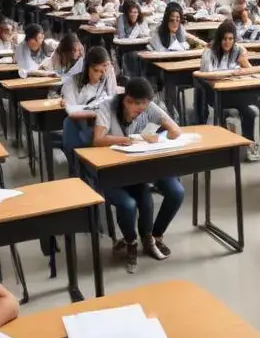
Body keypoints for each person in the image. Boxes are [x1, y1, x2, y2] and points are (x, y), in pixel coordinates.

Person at [66, 76, 185, 274]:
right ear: (126, 100)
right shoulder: (108, 107)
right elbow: (98, 139)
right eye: (137, 104)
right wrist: (134, 139)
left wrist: (165, 134)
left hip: (139, 168)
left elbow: (175, 130)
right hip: (111, 170)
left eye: (145, 104)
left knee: (158, 196)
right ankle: (131, 241)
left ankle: (152, 237)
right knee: (129, 204)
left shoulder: (148, 107)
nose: (142, 109)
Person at [195, 21, 260, 161]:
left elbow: (256, 70)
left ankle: (248, 144)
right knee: (243, 107)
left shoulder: (238, 50)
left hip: (233, 92)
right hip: (213, 93)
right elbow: (207, 77)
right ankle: (223, 146)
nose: (227, 42)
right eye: (224, 39)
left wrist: (245, 64)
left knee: (249, 112)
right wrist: (233, 73)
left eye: (231, 39)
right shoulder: (209, 53)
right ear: (219, 38)